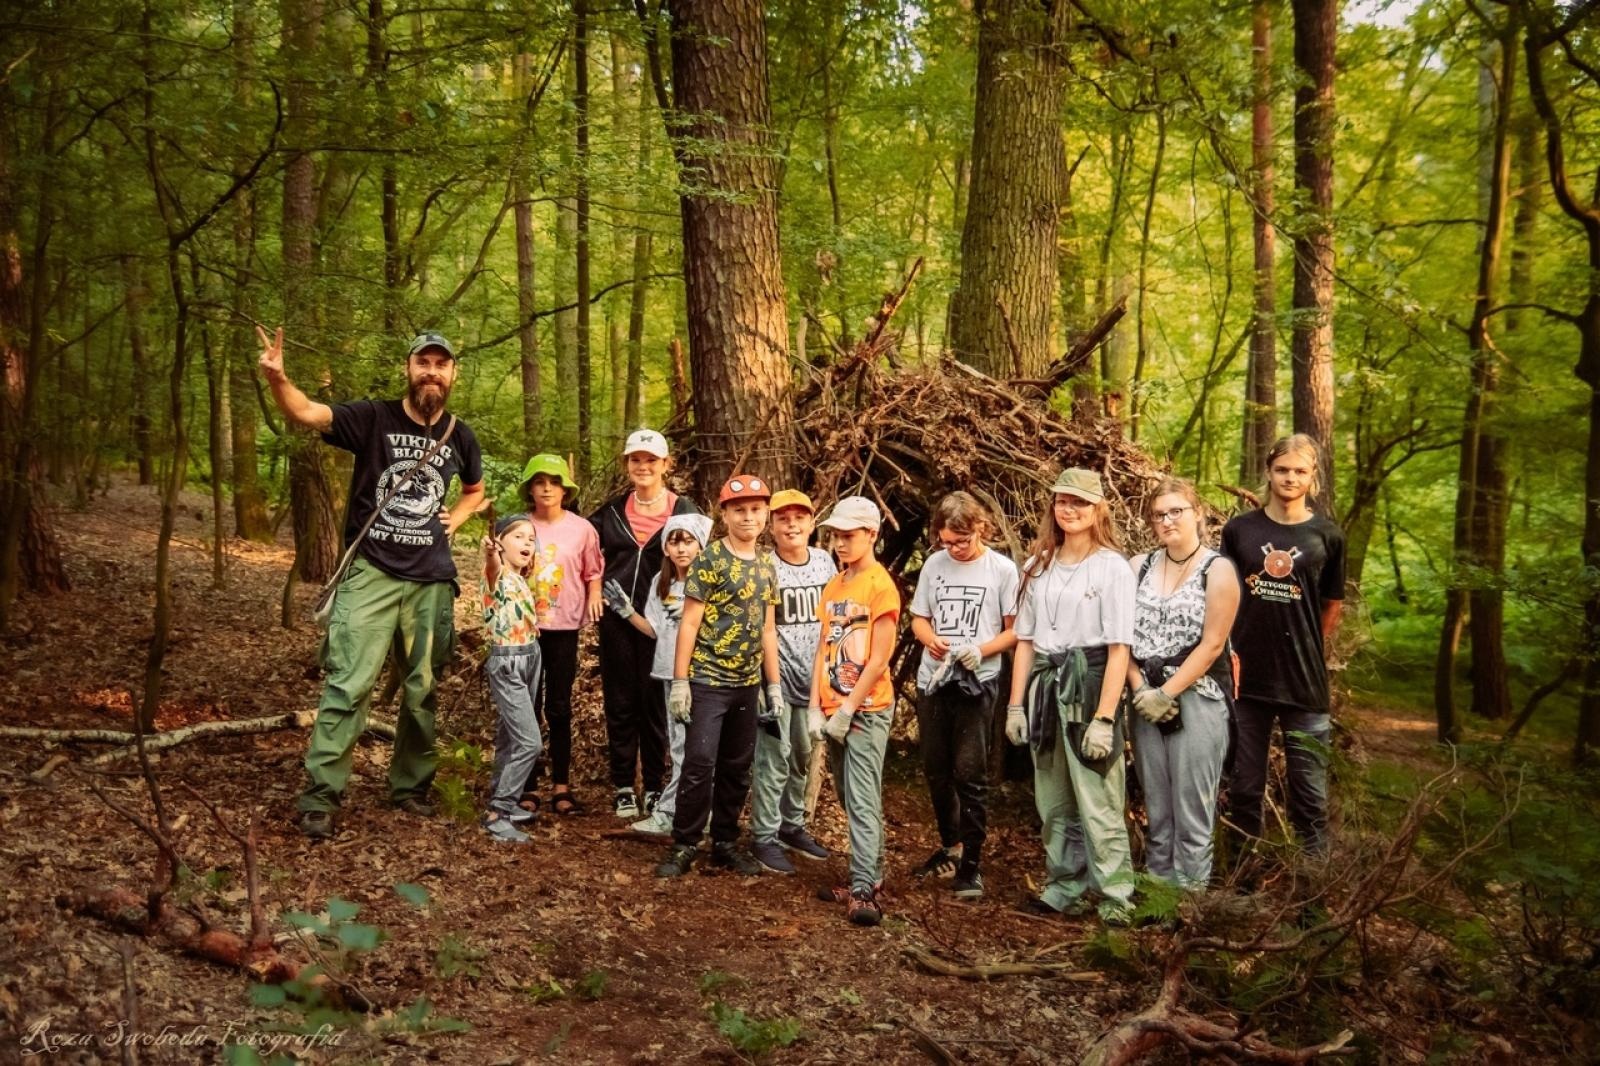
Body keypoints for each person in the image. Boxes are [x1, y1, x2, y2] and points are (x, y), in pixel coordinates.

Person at [257, 327, 484, 840]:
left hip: (431, 581)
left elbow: (475, 489)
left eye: (440, 364)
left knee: (422, 691)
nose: (431, 371)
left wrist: (459, 516)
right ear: (409, 368)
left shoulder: (461, 435)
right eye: (423, 362)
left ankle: (410, 788)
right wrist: (278, 379)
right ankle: (320, 796)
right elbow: (307, 412)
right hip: (372, 573)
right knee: (348, 683)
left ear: (453, 375)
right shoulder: (372, 417)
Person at [1006, 468, 1137, 925]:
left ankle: (1115, 895)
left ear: (1098, 508)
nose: (1070, 509)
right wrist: (1016, 704)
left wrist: (1105, 718)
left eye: (1080, 502)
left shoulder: (1113, 567)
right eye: (1063, 500)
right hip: (1045, 682)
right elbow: (1024, 640)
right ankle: (1065, 886)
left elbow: (1120, 647)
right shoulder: (1036, 566)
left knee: (1098, 796)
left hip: (1090, 681)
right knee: (1054, 798)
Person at [1220, 434, 1345, 857]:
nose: (1290, 478)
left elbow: (1331, 606)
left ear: (1313, 477)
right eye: (1282, 470)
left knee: (1309, 798)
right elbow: (1224, 596)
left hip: (1305, 684)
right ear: (1269, 472)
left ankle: (1312, 899)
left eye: (1300, 471)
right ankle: (1239, 888)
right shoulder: (1240, 530)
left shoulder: (1327, 535)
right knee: (1244, 789)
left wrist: (1307, 645)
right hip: (1246, 682)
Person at [655, 474, 781, 879]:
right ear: (724, 513)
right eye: (739, 510)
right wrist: (680, 682)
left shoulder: (766, 563)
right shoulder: (710, 559)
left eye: (756, 510)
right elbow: (689, 623)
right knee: (699, 761)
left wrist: (772, 684)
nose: (748, 517)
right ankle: (685, 842)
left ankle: (725, 841)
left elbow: (767, 628)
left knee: (737, 764)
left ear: (765, 515)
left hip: (746, 682)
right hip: (708, 678)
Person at [1124, 478, 1240, 889]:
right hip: (1143, 699)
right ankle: (1157, 897)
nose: (1167, 520)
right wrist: (1140, 690)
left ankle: (1188, 907)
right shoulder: (1138, 566)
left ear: (1198, 514)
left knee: (1192, 811)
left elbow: (1212, 645)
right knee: (1158, 808)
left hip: (1197, 700)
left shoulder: (1218, 569)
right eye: (1159, 514)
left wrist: (1167, 694)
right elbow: (1122, 639)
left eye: (1177, 511)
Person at [908, 491, 1019, 901]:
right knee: (936, 768)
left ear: (980, 530)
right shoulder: (935, 565)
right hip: (934, 678)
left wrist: (982, 650)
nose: (952, 549)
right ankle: (949, 845)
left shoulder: (1002, 570)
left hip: (976, 680)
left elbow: (1014, 630)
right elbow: (918, 617)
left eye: (961, 541)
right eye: (945, 541)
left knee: (968, 771)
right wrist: (930, 638)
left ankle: (972, 862)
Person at [591, 430, 701, 821]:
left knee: (656, 703)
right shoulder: (610, 512)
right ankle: (623, 785)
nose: (643, 466)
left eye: (651, 460)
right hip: (618, 621)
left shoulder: (684, 510)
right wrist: (593, 592)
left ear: (665, 464)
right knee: (620, 702)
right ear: (627, 464)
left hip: (667, 623)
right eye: (636, 459)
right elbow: (585, 555)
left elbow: (703, 558)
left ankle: (655, 786)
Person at [811, 496, 901, 927]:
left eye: (849, 535)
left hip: (866, 709)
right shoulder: (835, 585)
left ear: (871, 535)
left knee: (862, 798)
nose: (840, 543)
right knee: (848, 795)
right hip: (834, 707)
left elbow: (879, 659)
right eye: (836, 535)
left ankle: (864, 887)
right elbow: (823, 647)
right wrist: (816, 706)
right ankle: (874, 873)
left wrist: (849, 709)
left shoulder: (880, 586)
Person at [602, 512, 715, 836]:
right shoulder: (661, 582)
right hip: (667, 674)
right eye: (674, 541)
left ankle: (676, 813)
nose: (681, 549)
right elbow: (653, 630)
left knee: (698, 749)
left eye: (688, 541)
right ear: (665, 547)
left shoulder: (708, 582)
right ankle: (686, 814)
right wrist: (627, 611)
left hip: (700, 677)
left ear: (700, 545)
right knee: (679, 747)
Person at [747, 490, 835, 875]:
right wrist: (770, 684)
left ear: (812, 523)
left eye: (799, 518)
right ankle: (763, 835)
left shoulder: (825, 562)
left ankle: (791, 824)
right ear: (772, 524)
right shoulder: (765, 566)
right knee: (773, 760)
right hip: (775, 680)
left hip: (813, 682)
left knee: (801, 755)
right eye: (783, 518)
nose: (792, 525)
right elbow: (762, 628)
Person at [517, 453, 602, 816]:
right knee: (528, 706)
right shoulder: (519, 524)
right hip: (523, 628)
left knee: (560, 706)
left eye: (554, 482)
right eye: (539, 482)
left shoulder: (582, 528)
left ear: (565, 489)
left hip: (564, 626)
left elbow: (592, 570)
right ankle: (528, 784)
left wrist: (595, 597)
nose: (547, 488)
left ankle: (562, 786)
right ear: (530, 488)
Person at [480, 515, 545, 844]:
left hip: (531, 656)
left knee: (509, 735)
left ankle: (504, 798)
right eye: (518, 537)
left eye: (531, 539)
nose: (526, 543)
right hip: (507, 662)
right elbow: (492, 566)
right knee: (529, 742)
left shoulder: (521, 578)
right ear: (500, 542)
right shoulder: (498, 575)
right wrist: (491, 553)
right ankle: (498, 812)